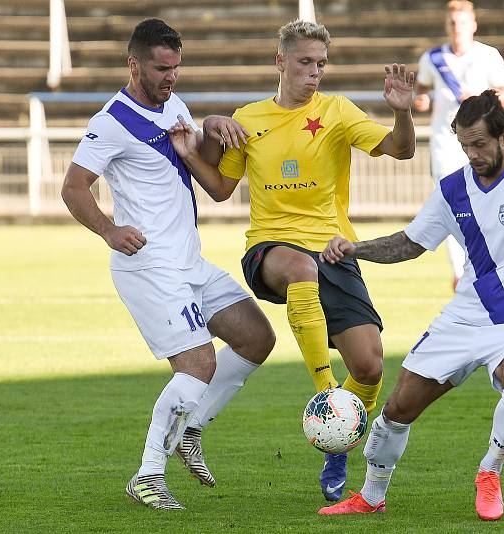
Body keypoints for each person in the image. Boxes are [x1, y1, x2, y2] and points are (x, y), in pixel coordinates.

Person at [317, 90, 504, 521]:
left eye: (479, 144)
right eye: (464, 145)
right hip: (463, 319)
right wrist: (355, 249)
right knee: (397, 409)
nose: (472, 154)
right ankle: (371, 495)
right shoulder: (452, 189)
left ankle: (490, 471)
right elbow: (410, 244)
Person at [166, 19, 415, 502]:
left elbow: (400, 150)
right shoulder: (251, 117)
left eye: (321, 64)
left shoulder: (338, 112)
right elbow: (220, 189)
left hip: (334, 250)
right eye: (305, 63)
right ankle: (325, 395)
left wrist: (402, 114)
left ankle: (337, 444)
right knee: (300, 268)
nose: (314, 73)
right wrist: (190, 154)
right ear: (280, 61)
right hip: (271, 250)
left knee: (370, 366)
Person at [61, 19, 276, 510]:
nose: (171, 77)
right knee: (198, 363)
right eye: (161, 68)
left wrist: (215, 129)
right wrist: (110, 231)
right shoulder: (112, 121)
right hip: (150, 266)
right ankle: (148, 474)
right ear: (133, 64)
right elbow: (73, 188)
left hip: (189, 261)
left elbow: (207, 173)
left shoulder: (174, 106)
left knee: (256, 337)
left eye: (176, 67)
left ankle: (190, 429)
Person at [415, 0, 504, 290]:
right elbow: (422, 89)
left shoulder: (487, 56)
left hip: (483, 142)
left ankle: (492, 262)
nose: (457, 28)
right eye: (452, 23)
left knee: (486, 201)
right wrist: (421, 99)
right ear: (447, 26)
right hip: (445, 143)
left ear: (473, 25)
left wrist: (482, 96)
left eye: (462, 23)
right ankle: (462, 273)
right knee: (452, 203)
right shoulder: (433, 58)